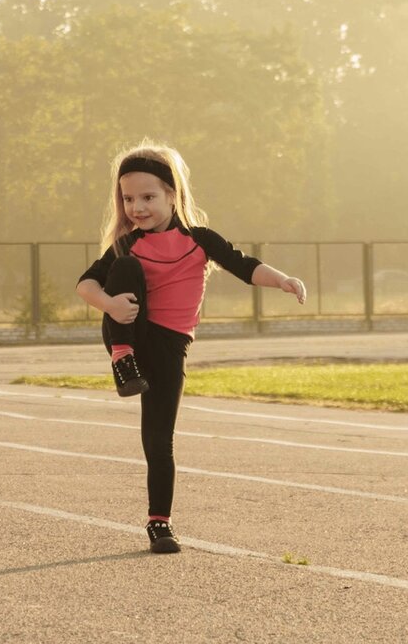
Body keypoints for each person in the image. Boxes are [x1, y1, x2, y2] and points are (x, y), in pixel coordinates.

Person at [76, 142, 307, 554]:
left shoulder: (199, 240)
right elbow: (86, 285)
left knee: (158, 438)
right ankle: (122, 361)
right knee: (124, 268)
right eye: (129, 199)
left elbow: (243, 264)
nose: (137, 207)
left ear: (172, 194)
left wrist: (284, 280)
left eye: (147, 197)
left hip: (170, 346)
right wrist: (109, 304)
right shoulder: (128, 245)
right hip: (132, 332)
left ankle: (159, 524)